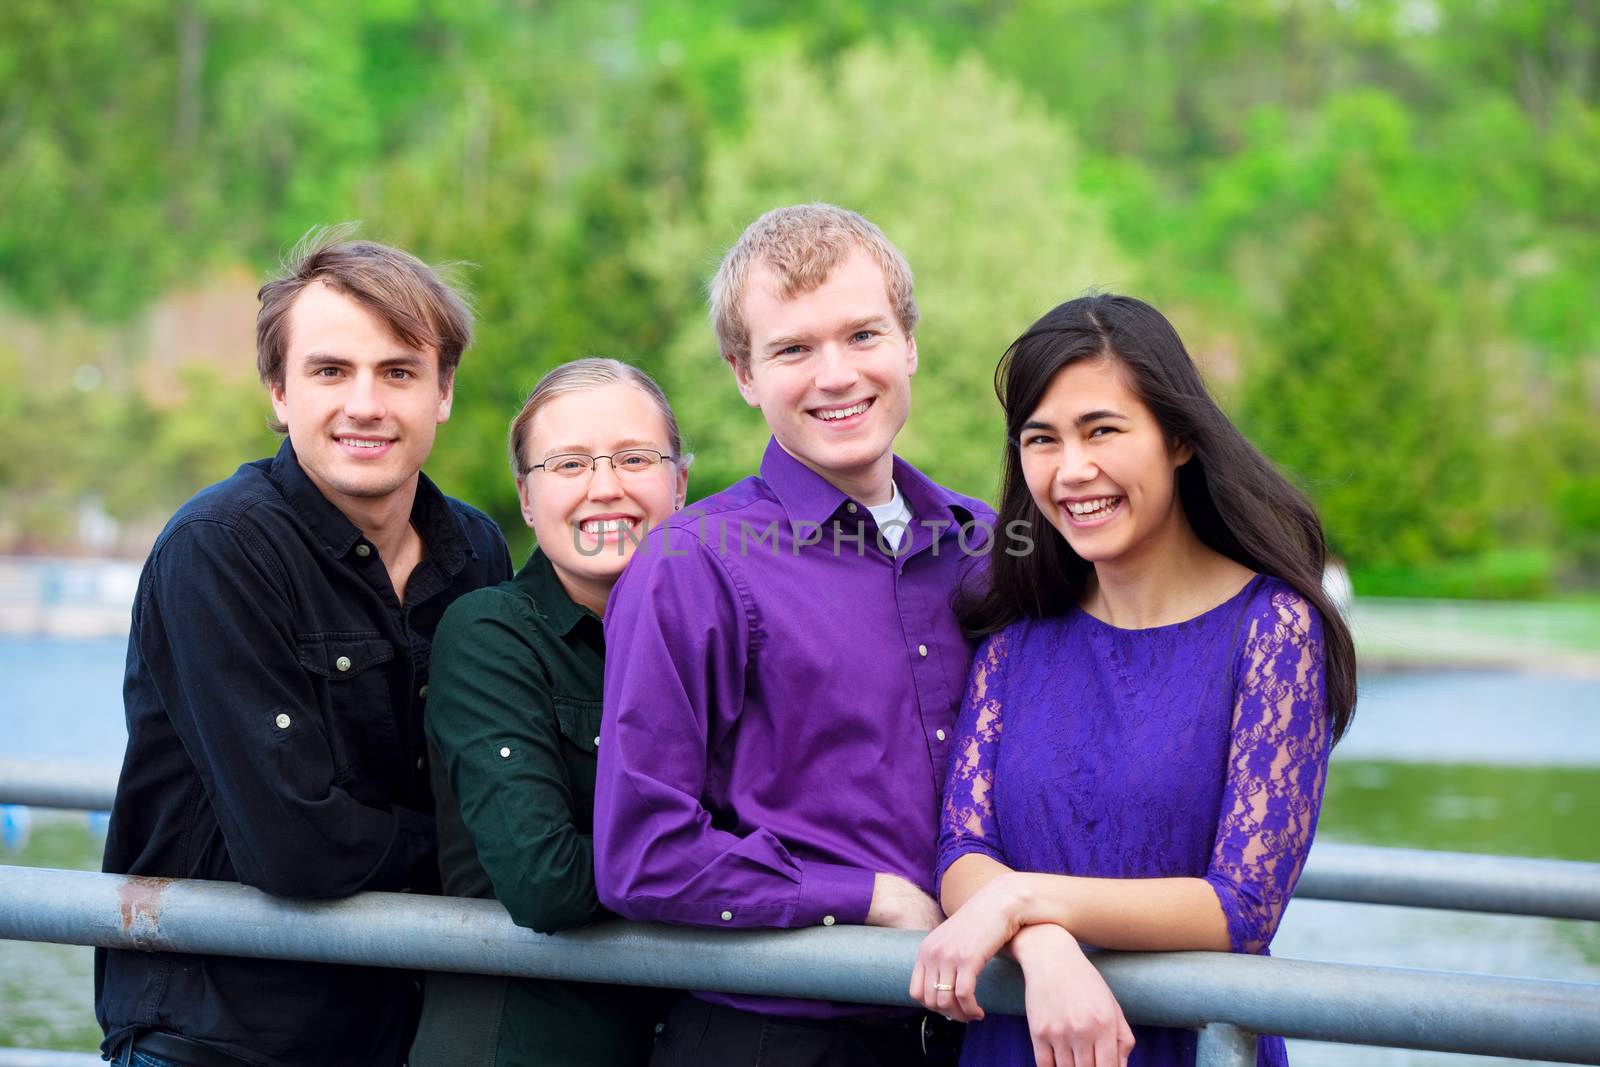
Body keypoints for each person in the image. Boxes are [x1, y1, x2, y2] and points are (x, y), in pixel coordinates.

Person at [96, 230, 513, 1067]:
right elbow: (295, 845)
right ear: (280, 392)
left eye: (398, 371)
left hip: (402, 1025)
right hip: (216, 1031)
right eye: (331, 371)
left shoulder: (475, 549)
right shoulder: (219, 549)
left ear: (444, 392)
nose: (366, 403)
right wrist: (469, 842)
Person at [910, 294, 1357, 1067]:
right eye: (1041, 439)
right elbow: (961, 847)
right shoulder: (1018, 628)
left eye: (1103, 430)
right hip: (1024, 1033)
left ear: (1179, 437)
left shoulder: (1273, 631)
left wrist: (1023, 900)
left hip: (1188, 1045)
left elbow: (1242, 905)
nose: (1072, 470)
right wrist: (1043, 941)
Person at [593, 203, 993, 1066]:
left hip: (972, 1032)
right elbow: (642, 852)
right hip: (775, 1039)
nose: (836, 375)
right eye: (793, 349)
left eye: (862, 335)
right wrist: (862, 895)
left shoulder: (987, 547)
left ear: (910, 343)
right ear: (743, 373)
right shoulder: (689, 563)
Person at [409, 358, 686, 1066]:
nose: (606, 487)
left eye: (635, 458)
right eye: (567, 464)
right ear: (527, 500)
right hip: (518, 1044)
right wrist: (722, 865)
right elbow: (546, 880)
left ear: (678, 484)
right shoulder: (491, 634)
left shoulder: (711, 638)